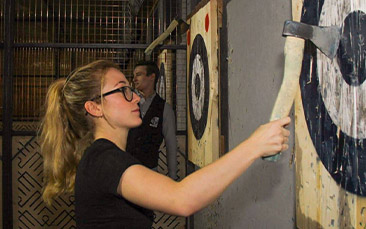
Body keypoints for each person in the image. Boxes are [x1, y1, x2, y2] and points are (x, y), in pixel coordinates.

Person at [39, 60, 291, 228]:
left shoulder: (105, 156)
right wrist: (254, 145)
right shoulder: (104, 159)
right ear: (94, 107)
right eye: (122, 90)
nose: (135, 97)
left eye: (132, 89)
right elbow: (182, 199)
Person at [127, 60, 177, 179]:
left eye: (139, 74)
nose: (134, 79)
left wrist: (173, 177)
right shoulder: (127, 102)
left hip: (150, 172)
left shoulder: (164, 108)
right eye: (134, 76)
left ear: (152, 77)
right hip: (126, 171)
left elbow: (171, 144)